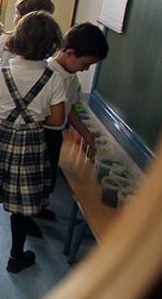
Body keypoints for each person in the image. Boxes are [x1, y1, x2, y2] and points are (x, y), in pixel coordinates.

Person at [0, 11, 67, 273]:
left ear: (16, 41)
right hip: (31, 144)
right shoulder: (54, 79)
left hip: (0, 137)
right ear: (52, 45)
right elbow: (57, 120)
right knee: (22, 203)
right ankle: (15, 256)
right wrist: (33, 122)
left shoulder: (1, 74)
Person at [38, 22, 109, 220]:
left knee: (48, 177)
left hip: (55, 135)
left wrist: (86, 134)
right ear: (69, 53)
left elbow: (68, 110)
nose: (86, 70)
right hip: (39, 135)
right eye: (85, 64)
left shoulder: (71, 78)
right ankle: (26, 216)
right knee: (34, 178)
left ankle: (39, 207)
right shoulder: (46, 75)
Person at [0, 0, 55, 69]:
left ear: (24, 19)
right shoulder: (46, 42)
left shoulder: (7, 38)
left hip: (5, 78)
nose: (14, 16)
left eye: (17, 13)